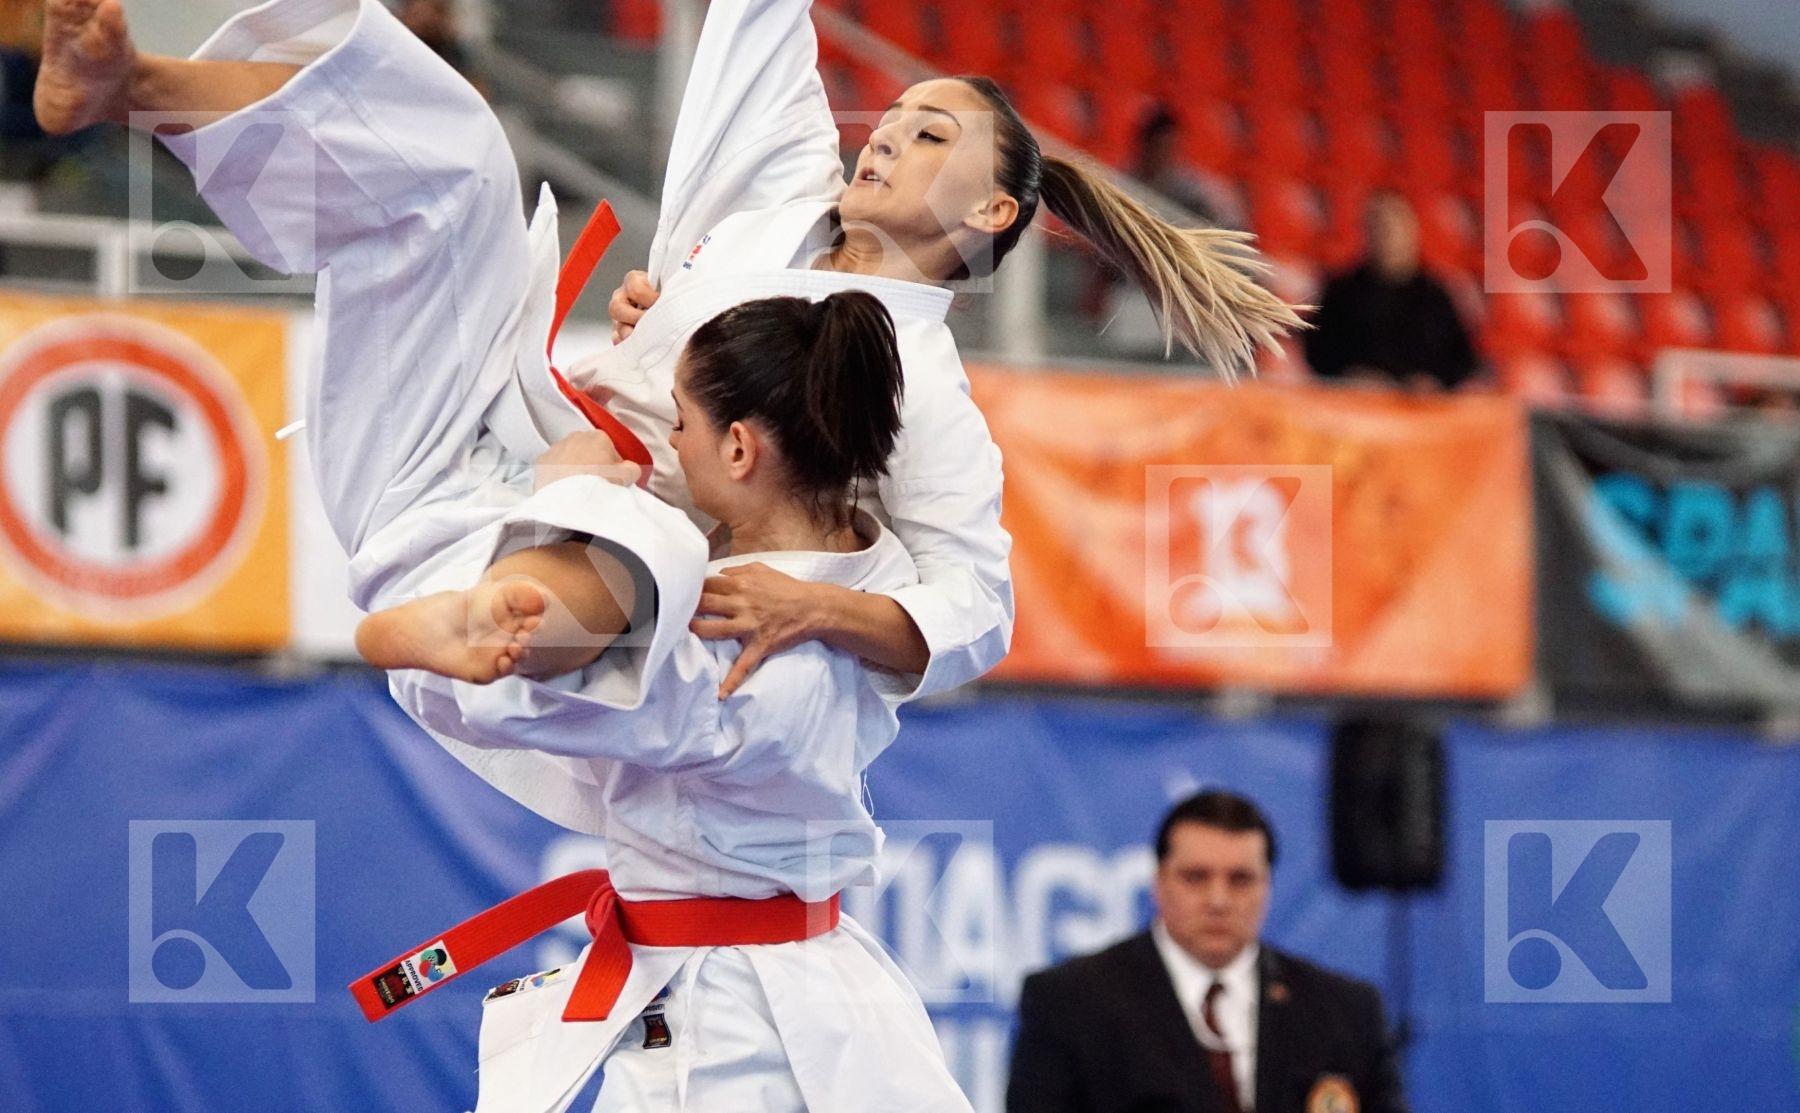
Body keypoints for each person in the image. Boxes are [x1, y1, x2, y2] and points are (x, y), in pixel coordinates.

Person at [1007, 790, 1410, 1113]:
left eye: (1241, 880)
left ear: (1267, 888)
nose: (1218, 900)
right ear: (1159, 884)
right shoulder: (1071, 1004)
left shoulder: (1345, 1012)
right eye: (1196, 878)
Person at [1303, 190, 1477, 391]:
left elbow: (1463, 357)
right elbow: (1318, 352)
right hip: (1356, 408)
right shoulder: (1340, 291)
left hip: (1420, 412)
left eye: (1395, 224)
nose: (1387, 232)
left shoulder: (1437, 294)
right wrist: (1349, 375)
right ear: (1365, 231)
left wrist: (1434, 381)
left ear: (1413, 230)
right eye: (1378, 225)